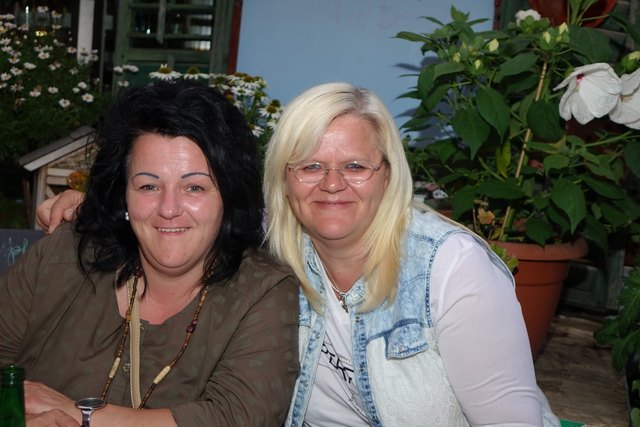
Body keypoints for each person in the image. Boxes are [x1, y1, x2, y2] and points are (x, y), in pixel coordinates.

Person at [37, 82, 560, 426]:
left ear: (387, 175)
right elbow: (185, 212)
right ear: (285, 179)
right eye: (309, 166)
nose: (331, 184)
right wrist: (92, 205)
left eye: (354, 166)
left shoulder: (450, 269)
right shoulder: (277, 239)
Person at [1, 80, 300, 426]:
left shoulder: (262, 290)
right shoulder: (62, 256)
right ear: (123, 195)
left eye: (194, 187)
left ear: (228, 196)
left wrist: (77, 413)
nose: (168, 209)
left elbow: (237, 417)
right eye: (148, 186)